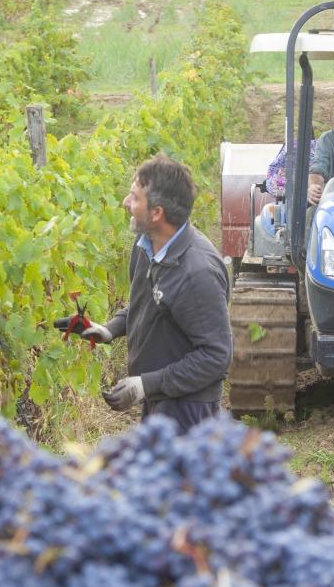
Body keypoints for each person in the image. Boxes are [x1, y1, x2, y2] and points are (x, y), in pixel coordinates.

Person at [66, 156, 232, 433]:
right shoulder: (147, 245)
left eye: (134, 197)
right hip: (159, 398)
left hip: (190, 411)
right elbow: (150, 302)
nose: (125, 203)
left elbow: (216, 356)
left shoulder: (196, 273)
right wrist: (109, 329)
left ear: (156, 213)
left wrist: (145, 384)